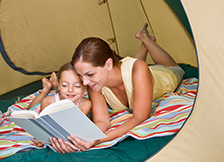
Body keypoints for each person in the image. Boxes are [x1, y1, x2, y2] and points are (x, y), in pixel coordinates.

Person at [50, 23, 184, 153]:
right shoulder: (94, 85)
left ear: (108, 64)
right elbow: (101, 121)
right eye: (80, 75)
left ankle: (146, 39)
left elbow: (139, 117)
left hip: (163, 77)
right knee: (133, 69)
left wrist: (100, 139)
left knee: (174, 68)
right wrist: (79, 138)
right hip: (128, 73)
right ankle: (143, 47)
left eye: (90, 74)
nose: (84, 82)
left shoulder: (139, 69)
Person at [28, 62, 92, 115]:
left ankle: (54, 83)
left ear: (84, 88)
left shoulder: (85, 103)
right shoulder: (47, 101)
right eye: (64, 85)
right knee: (29, 112)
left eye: (77, 86)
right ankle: (46, 89)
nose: (70, 90)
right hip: (43, 108)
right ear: (59, 85)